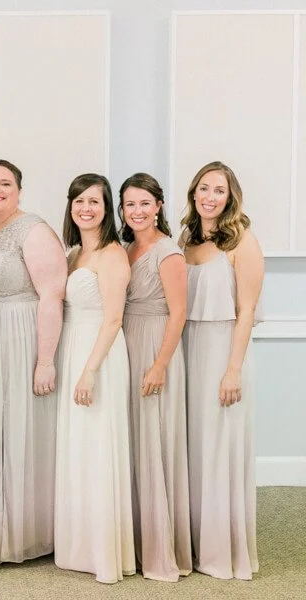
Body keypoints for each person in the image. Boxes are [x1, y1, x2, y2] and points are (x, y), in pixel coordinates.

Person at [0, 159, 66, 565]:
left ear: (19, 190)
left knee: (20, 428)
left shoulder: (33, 229)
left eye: (5, 183)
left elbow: (52, 296)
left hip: (20, 336)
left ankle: (25, 532)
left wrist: (45, 360)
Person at [181, 161, 262, 580]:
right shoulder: (186, 239)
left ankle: (221, 551)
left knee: (218, 447)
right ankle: (194, 543)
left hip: (224, 350)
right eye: (204, 188)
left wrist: (233, 370)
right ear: (193, 192)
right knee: (193, 446)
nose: (209, 197)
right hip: (188, 347)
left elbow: (247, 310)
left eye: (219, 190)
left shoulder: (242, 241)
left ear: (230, 198)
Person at [54, 173, 135, 584]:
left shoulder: (112, 255)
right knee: (78, 448)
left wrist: (90, 371)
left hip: (99, 355)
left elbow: (114, 319)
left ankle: (103, 552)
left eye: (94, 202)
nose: (85, 208)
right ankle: (78, 547)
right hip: (72, 347)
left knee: (98, 446)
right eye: (79, 201)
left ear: (106, 210)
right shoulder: (72, 254)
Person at [119, 173, 191, 581]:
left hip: (155, 345)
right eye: (130, 204)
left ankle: (162, 549)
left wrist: (160, 364)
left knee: (154, 441)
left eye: (145, 203)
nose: (138, 211)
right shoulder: (126, 247)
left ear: (158, 206)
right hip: (127, 342)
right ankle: (134, 542)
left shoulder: (168, 252)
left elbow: (178, 314)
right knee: (133, 441)